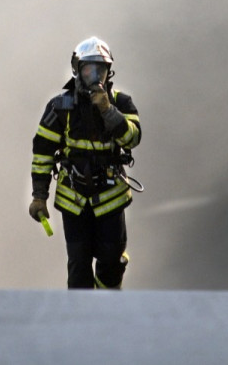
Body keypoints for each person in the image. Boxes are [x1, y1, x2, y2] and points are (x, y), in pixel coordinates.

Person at [29, 36, 141, 289]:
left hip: (111, 197)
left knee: (112, 262)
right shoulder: (60, 106)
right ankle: (79, 319)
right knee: (79, 265)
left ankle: (105, 309)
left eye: (100, 69)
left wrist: (108, 111)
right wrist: (39, 196)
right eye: (88, 68)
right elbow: (43, 153)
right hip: (74, 199)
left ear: (108, 72)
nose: (94, 76)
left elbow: (133, 139)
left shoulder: (121, 102)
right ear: (77, 69)